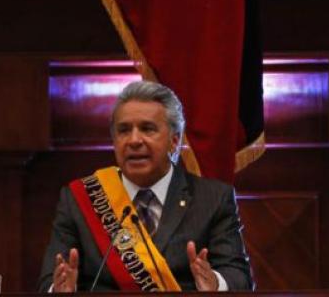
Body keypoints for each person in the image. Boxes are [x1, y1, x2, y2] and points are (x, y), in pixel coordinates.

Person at [38, 80, 254, 292]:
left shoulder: (213, 198)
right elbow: (50, 280)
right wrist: (60, 290)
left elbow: (239, 277)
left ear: (174, 140)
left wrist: (214, 283)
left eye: (147, 129)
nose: (133, 140)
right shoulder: (80, 199)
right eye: (123, 130)